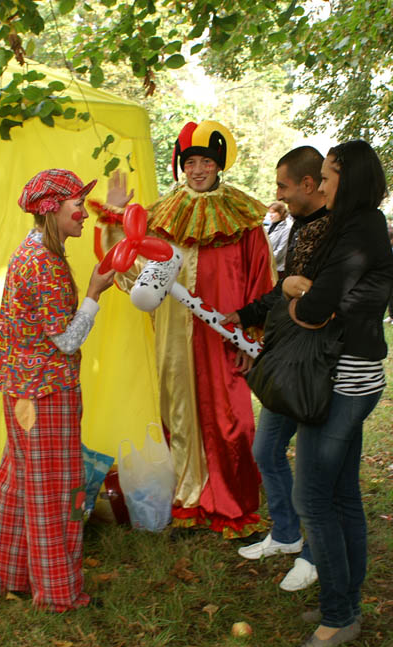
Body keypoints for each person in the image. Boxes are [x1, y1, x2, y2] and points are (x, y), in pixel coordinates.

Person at [99, 120, 273, 537]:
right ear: (181, 165)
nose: (197, 170)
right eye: (190, 162)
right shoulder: (162, 214)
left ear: (219, 164)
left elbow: (262, 280)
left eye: (206, 162)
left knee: (233, 420)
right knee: (179, 417)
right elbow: (133, 268)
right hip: (175, 335)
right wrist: (115, 218)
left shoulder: (245, 220)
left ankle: (233, 505)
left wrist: (251, 337)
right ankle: (188, 501)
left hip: (225, 332)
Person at [0, 169, 115, 611]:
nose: (83, 213)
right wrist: (94, 293)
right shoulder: (44, 263)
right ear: (51, 209)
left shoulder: (31, 250)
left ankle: (6, 573)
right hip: (47, 393)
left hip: (23, 391)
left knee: (21, 483)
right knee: (58, 494)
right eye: (77, 204)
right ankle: (59, 593)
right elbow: (67, 340)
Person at [282, 140, 392, 647]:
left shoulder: (358, 228)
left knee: (313, 498)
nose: (321, 184)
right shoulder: (359, 225)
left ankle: (339, 616)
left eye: (327, 176)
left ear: (348, 178)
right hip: (351, 376)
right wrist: (311, 292)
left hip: (344, 381)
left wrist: (297, 290)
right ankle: (346, 601)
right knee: (342, 495)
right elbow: (328, 300)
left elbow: (316, 305)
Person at [228, 146, 329, 591]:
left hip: (317, 365)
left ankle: (315, 554)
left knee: (314, 468)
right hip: (286, 358)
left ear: (308, 184)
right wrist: (243, 314)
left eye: (282, 186)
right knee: (267, 450)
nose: (278, 195)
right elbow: (283, 288)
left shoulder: (336, 230)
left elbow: (319, 297)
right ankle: (287, 534)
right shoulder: (300, 226)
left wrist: (295, 294)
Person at [264, 200, 293, 281]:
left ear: (281, 213)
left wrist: (265, 261)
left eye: (273, 212)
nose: (270, 215)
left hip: (277, 269)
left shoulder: (287, 229)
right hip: (267, 266)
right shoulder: (269, 226)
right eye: (269, 212)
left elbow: (281, 251)